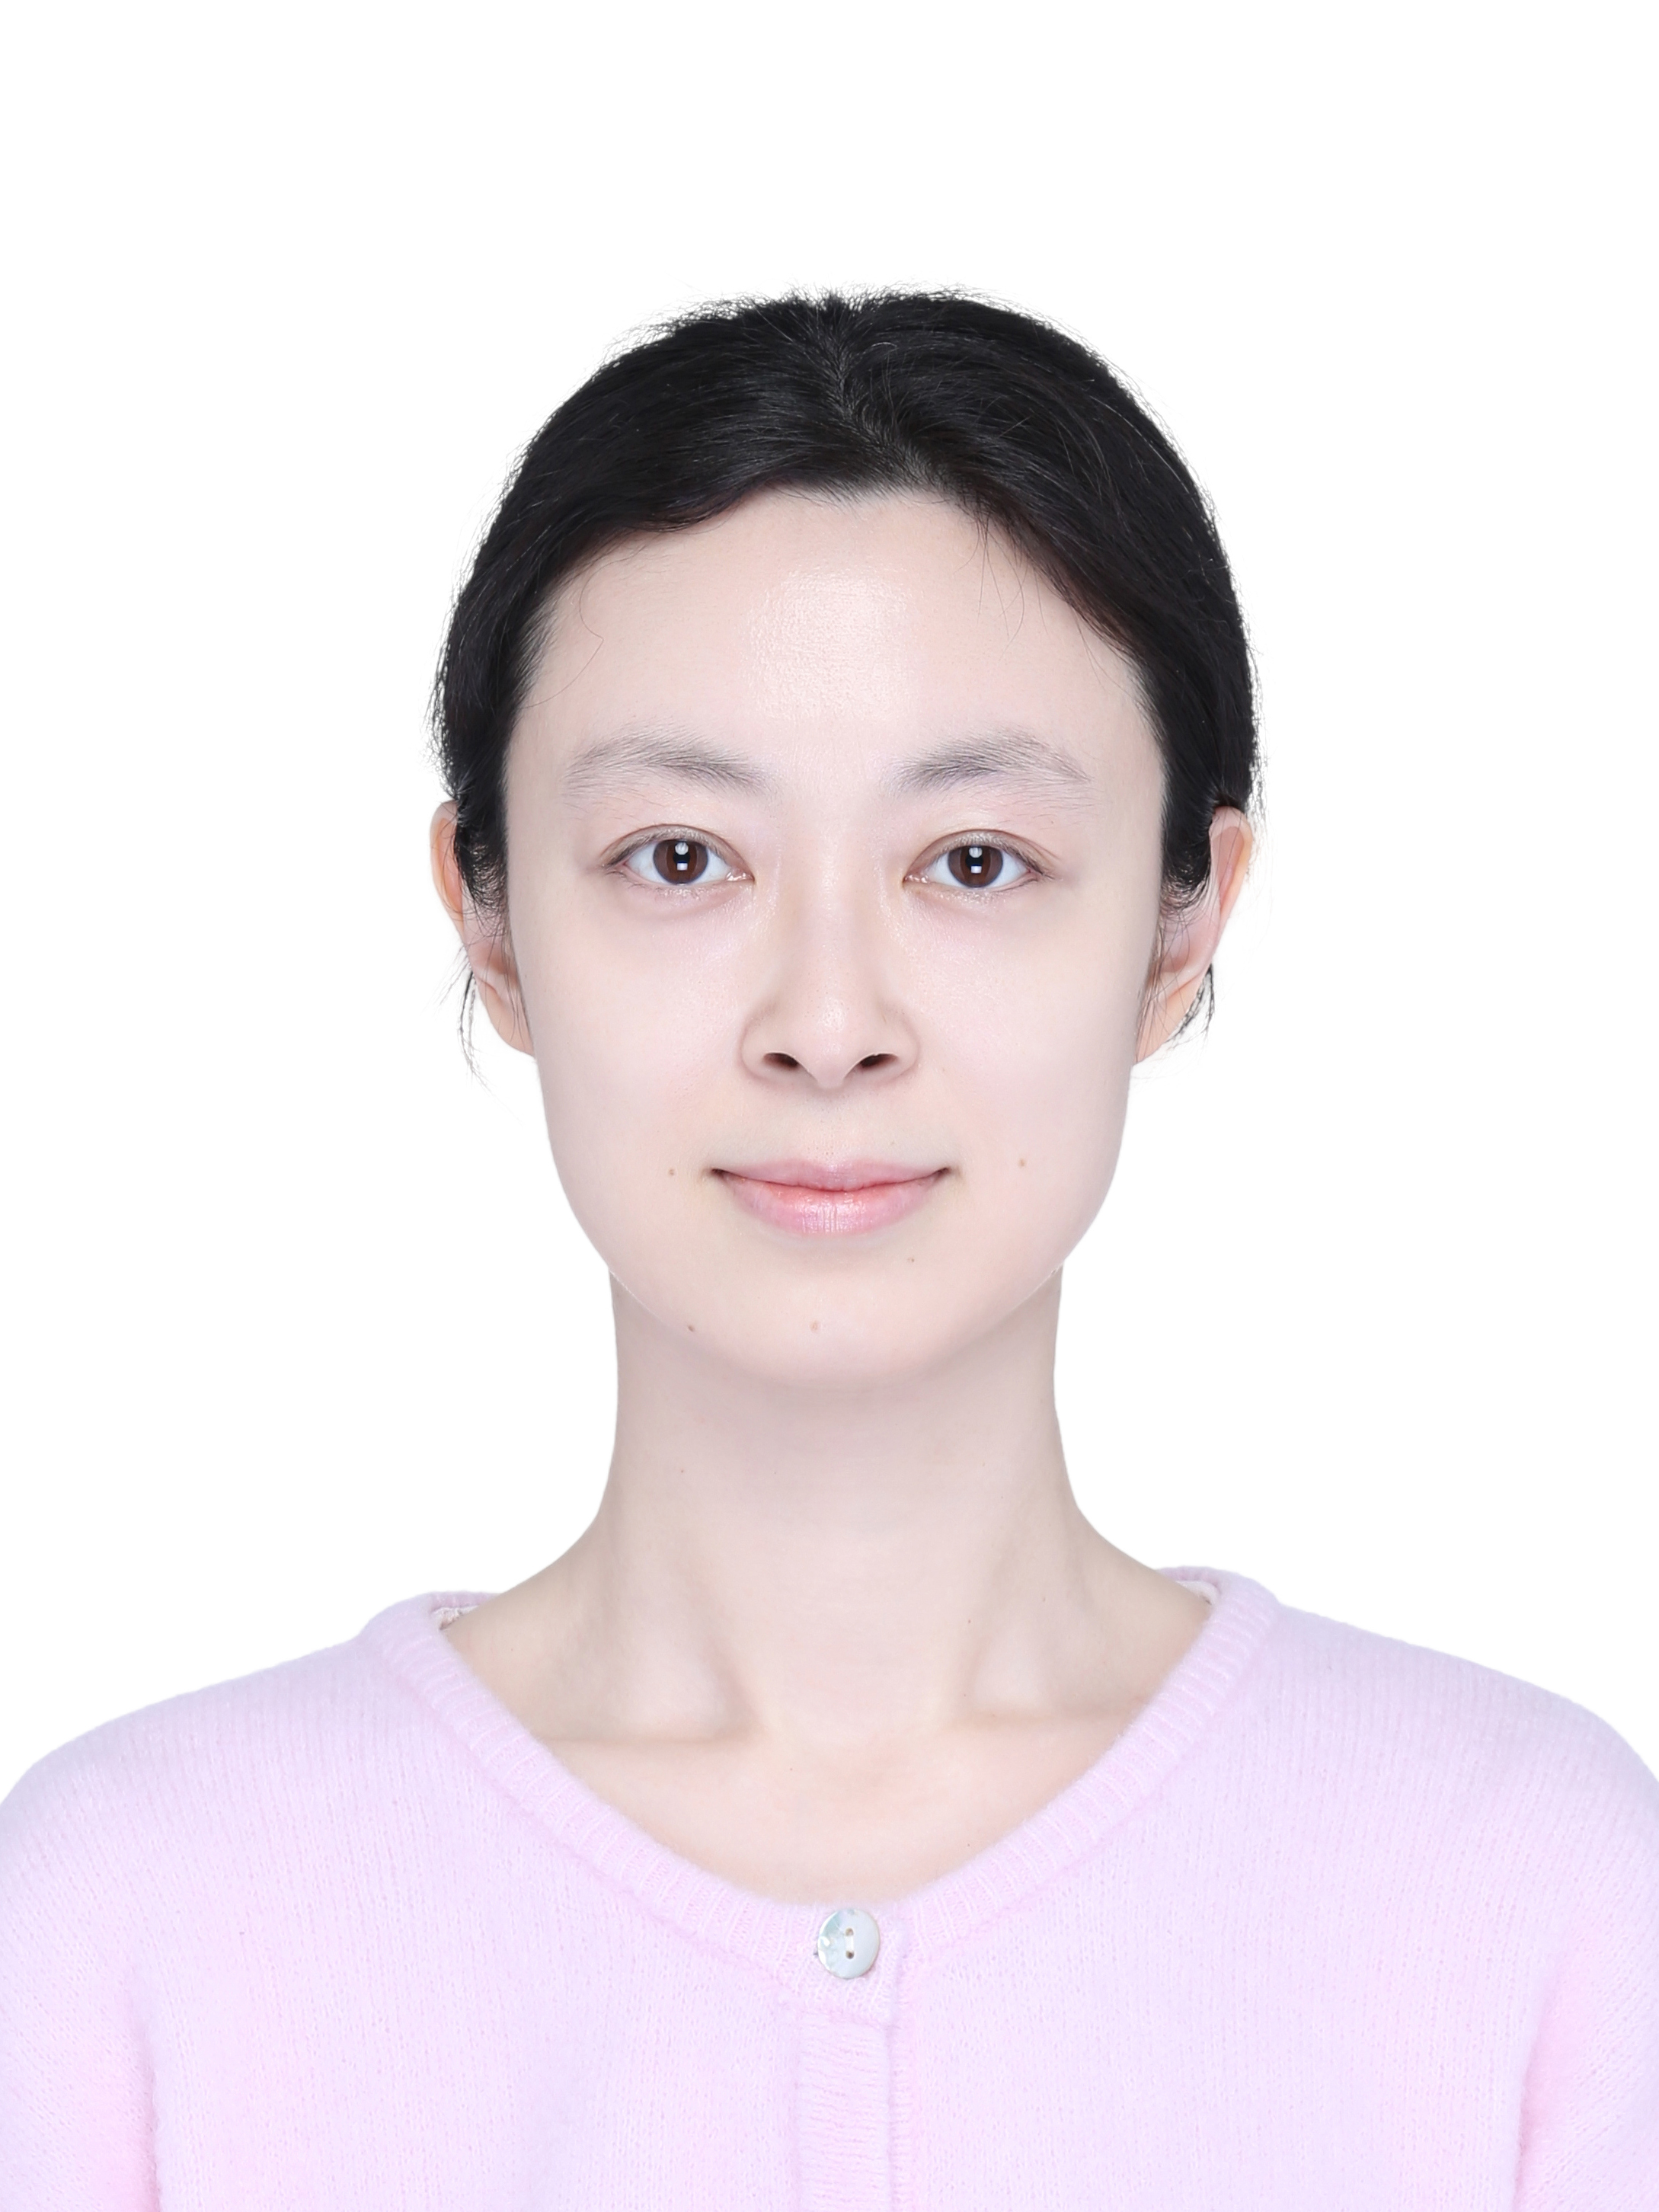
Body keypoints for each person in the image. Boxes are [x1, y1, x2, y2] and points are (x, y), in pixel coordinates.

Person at [2, 293, 1654, 2209]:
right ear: (492, 920)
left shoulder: (1532, 1897)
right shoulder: (127, 1923)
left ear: (1182, 926)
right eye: (680, 859)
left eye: (975, 863)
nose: (829, 1022)